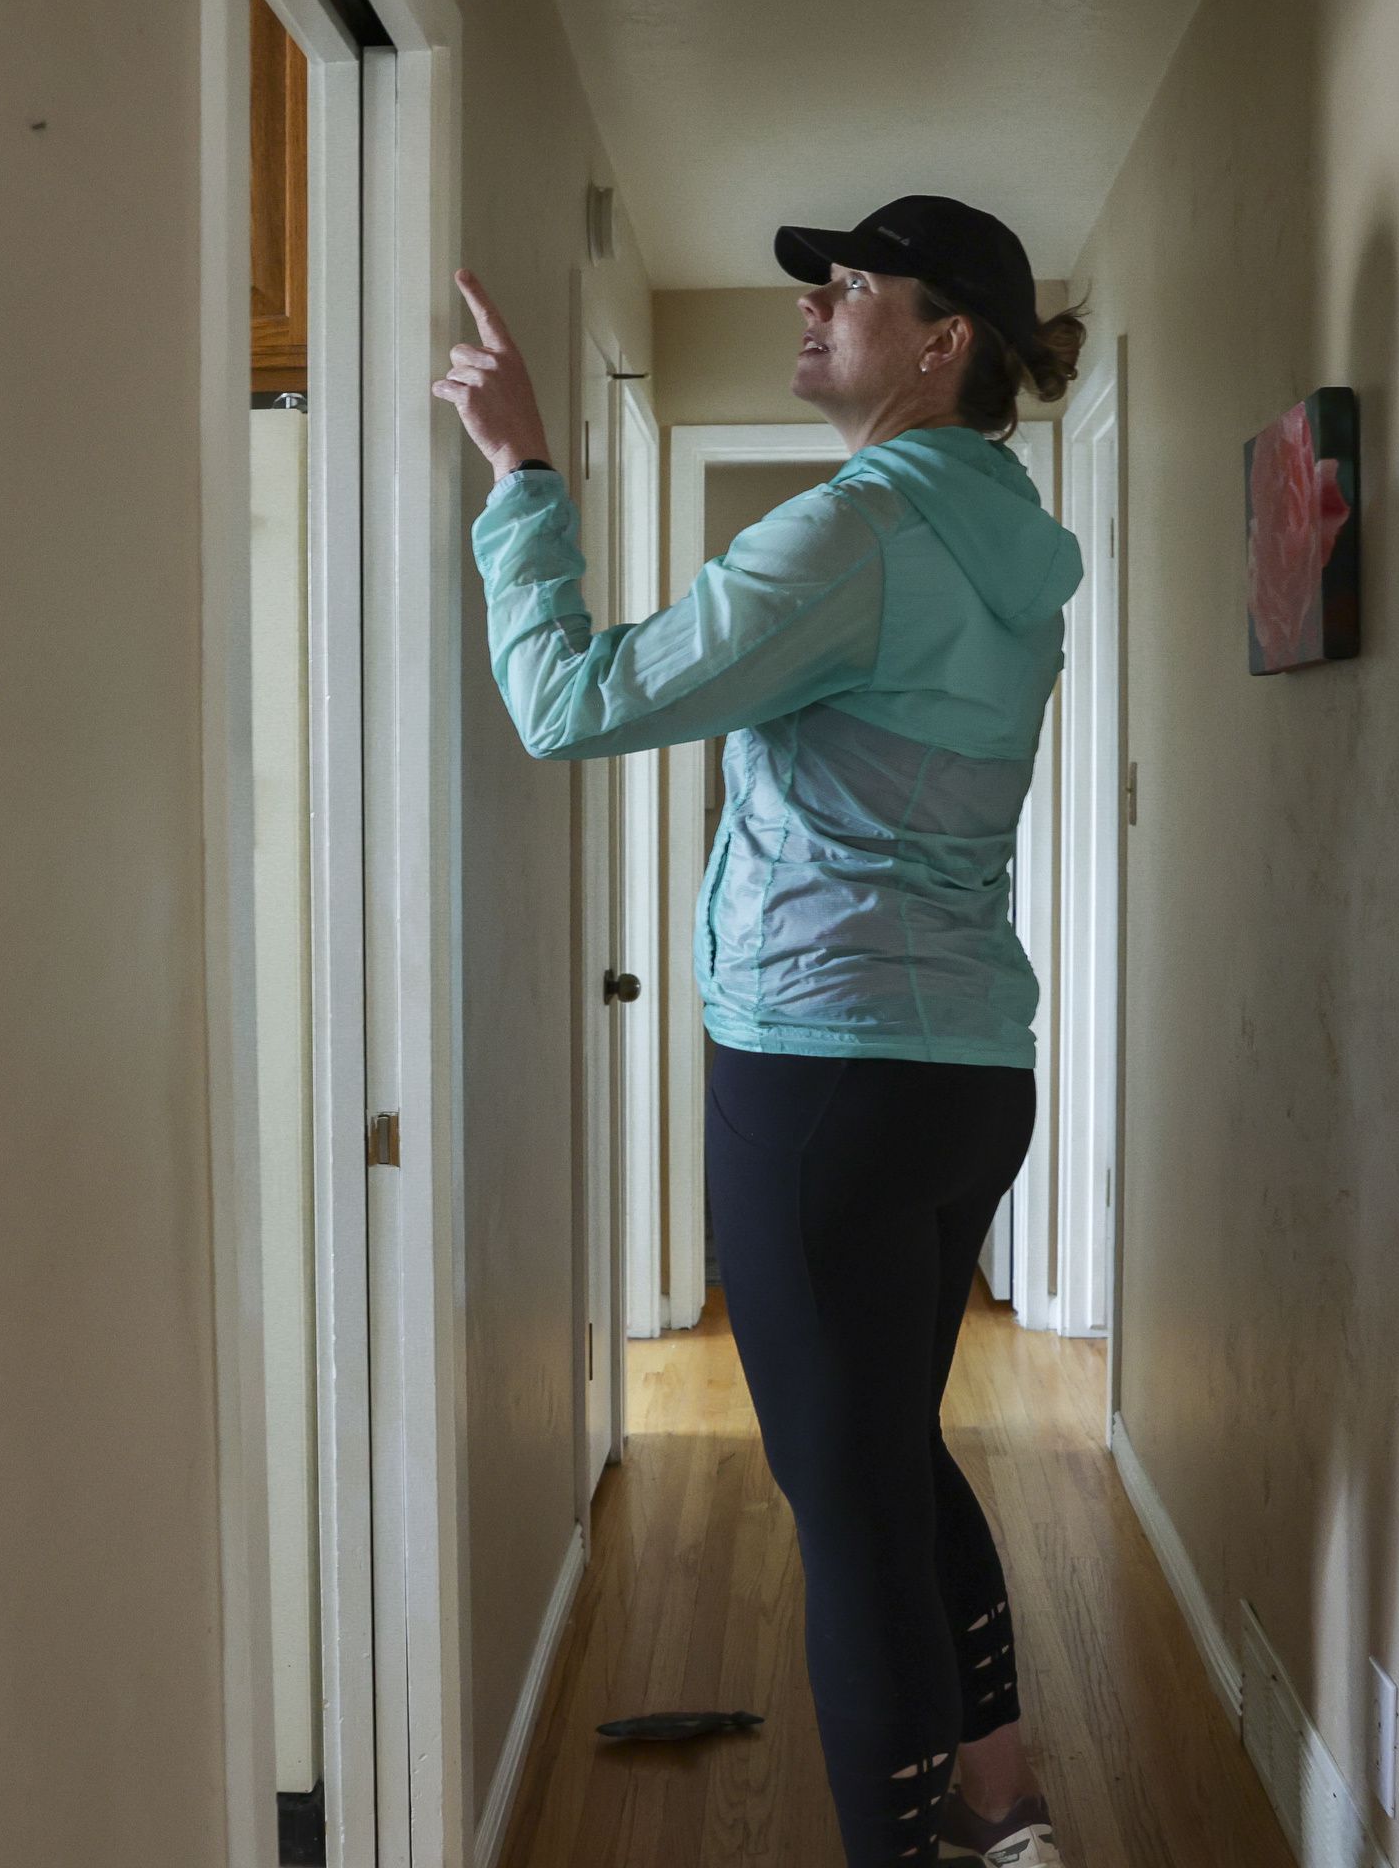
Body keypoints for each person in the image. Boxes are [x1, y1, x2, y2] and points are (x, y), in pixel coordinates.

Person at [431, 195, 1087, 1868]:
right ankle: (1004, 1807)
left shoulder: (860, 532)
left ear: (943, 345)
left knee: (847, 1504)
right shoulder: (1008, 541)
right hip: (963, 1077)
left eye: (851, 287)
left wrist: (519, 474)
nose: (814, 307)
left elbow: (572, 698)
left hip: (826, 1074)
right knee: (884, 1453)